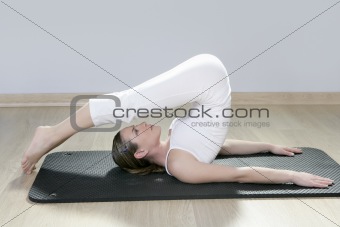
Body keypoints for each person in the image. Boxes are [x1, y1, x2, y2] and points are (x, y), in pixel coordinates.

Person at [22, 54, 333, 188]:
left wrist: (268, 145)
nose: (141, 124)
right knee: (128, 103)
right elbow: (238, 176)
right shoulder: (181, 166)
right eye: (136, 130)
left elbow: (220, 147)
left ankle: (51, 133)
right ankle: (50, 134)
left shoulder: (175, 146)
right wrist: (292, 176)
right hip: (208, 81)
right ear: (140, 152)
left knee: (130, 102)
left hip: (205, 80)